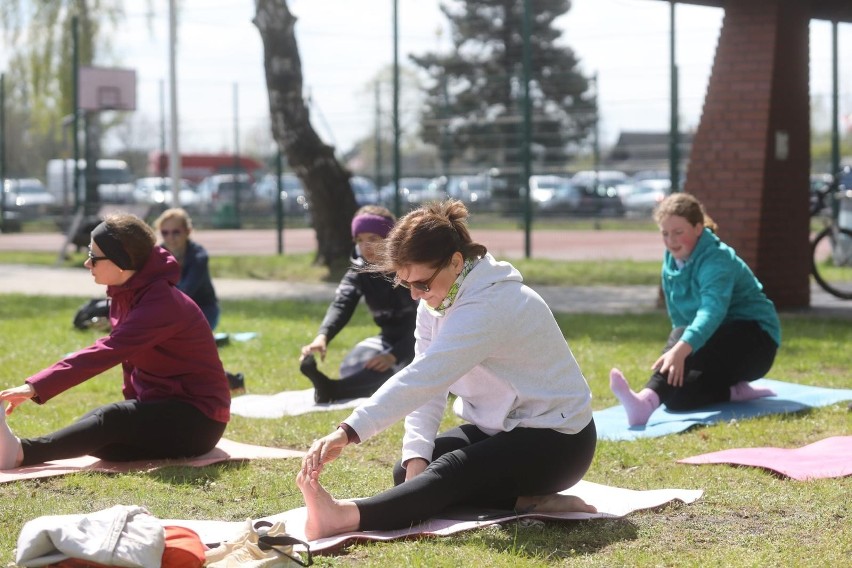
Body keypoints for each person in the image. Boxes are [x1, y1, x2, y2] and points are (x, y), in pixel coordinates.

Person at [296, 200, 597, 540]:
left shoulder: (489, 304)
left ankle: (342, 517)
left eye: (422, 284)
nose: (415, 295)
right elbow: (429, 390)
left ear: (456, 262)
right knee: (409, 471)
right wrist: (415, 471)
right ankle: (526, 501)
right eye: (406, 283)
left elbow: (423, 379)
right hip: (502, 428)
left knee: (446, 474)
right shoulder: (438, 300)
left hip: (559, 442)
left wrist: (349, 430)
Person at [0, 213, 230, 470]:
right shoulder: (127, 293)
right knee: (103, 433)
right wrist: (133, 409)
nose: (88, 263)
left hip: (199, 420)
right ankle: (17, 449)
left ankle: (19, 453)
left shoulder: (160, 304)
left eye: (94, 256)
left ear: (122, 262)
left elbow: (107, 351)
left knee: (110, 420)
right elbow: (130, 361)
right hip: (163, 406)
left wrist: (34, 387)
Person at [609, 192, 781, 426]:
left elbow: (712, 311)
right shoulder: (671, 260)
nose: (671, 241)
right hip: (716, 341)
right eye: (665, 233)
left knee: (682, 338)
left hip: (756, 343)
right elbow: (679, 317)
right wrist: (681, 358)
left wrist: (681, 349)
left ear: (698, 228)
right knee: (677, 397)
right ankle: (735, 392)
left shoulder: (717, 259)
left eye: (679, 232)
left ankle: (644, 403)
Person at [298, 205, 417, 403]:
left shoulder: (412, 267)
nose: (365, 246)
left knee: (404, 365)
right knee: (351, 367)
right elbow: (341, 304)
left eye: (373, 238)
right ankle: (340, 387)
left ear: (390, 239)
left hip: (425, 339)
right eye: (359, 240)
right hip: (389, 339)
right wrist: (322, 337)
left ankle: (334, 390)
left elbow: (430, 322)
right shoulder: (359, 270)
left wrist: (394, 355)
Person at [154, 207, 244, 394]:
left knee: (185, 350)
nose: (170, 237)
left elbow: (185, 291)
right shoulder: (157, 254)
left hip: (203, 310)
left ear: (188, 231)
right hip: (172, 312)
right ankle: (229, 382)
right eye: (165, 232)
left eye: (176, 232)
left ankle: (228, 382)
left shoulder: (198, 256)